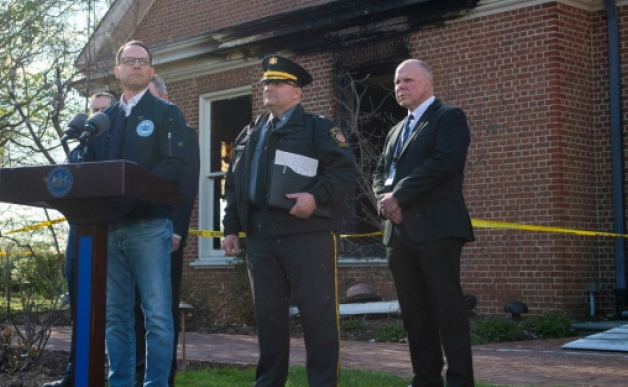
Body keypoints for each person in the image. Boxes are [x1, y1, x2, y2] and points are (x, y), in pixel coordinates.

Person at [222, 55, 355, 387]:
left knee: (318, 320)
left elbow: (344, 171)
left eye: (277, 83)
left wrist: (316, 196)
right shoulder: (249, 133)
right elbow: (234, 183)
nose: (269, 88)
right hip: (261, 239)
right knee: (268, 322)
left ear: (297, 92)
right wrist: (230, 228)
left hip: (307, 236)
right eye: (266, 82)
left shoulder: (318, 128)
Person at [83, 40, 190, 387]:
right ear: (117, 71)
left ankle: (156, 384)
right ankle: (121, 382)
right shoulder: (103, 120)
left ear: (152, 71)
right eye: (129, 61)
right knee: (115, 316)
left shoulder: (166, 114)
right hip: (110, 229)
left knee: (157, 315)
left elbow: (174, 166)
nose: (136, 66)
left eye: (143, 62)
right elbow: (91, 169)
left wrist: (131, 193)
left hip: (149, 226)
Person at [372, 59, 474, 387]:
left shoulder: (449, 118)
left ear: (427, 85)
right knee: (415, 316)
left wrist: (399, 196)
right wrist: (384, 202)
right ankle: (425, 380)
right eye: (398, 82)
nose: (400, 86)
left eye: (408, 81)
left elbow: (443, 163)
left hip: (436, 230)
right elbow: (379, 173)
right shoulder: (395, 131)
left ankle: (460, 380)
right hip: (398, 235)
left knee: (447, 312)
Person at [45, 91, 117, 387]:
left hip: (113, 239)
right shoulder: (76, 152)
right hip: (79, 239)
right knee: (80, 309)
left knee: (114, 313)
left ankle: (116, 375)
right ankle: (75, 373)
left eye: (104, 111)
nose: (96, 115)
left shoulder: (118, 150)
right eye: (93, 110)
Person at [134, 75, 200, 386]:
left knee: (161, 311)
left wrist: (177, 230)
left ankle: (164, 376)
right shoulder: (132, 132)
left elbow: (186, 187)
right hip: (132, 233)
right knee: (132, 309)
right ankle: (137, 373)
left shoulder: (184, 133)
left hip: (165, 235)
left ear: (165, 97)